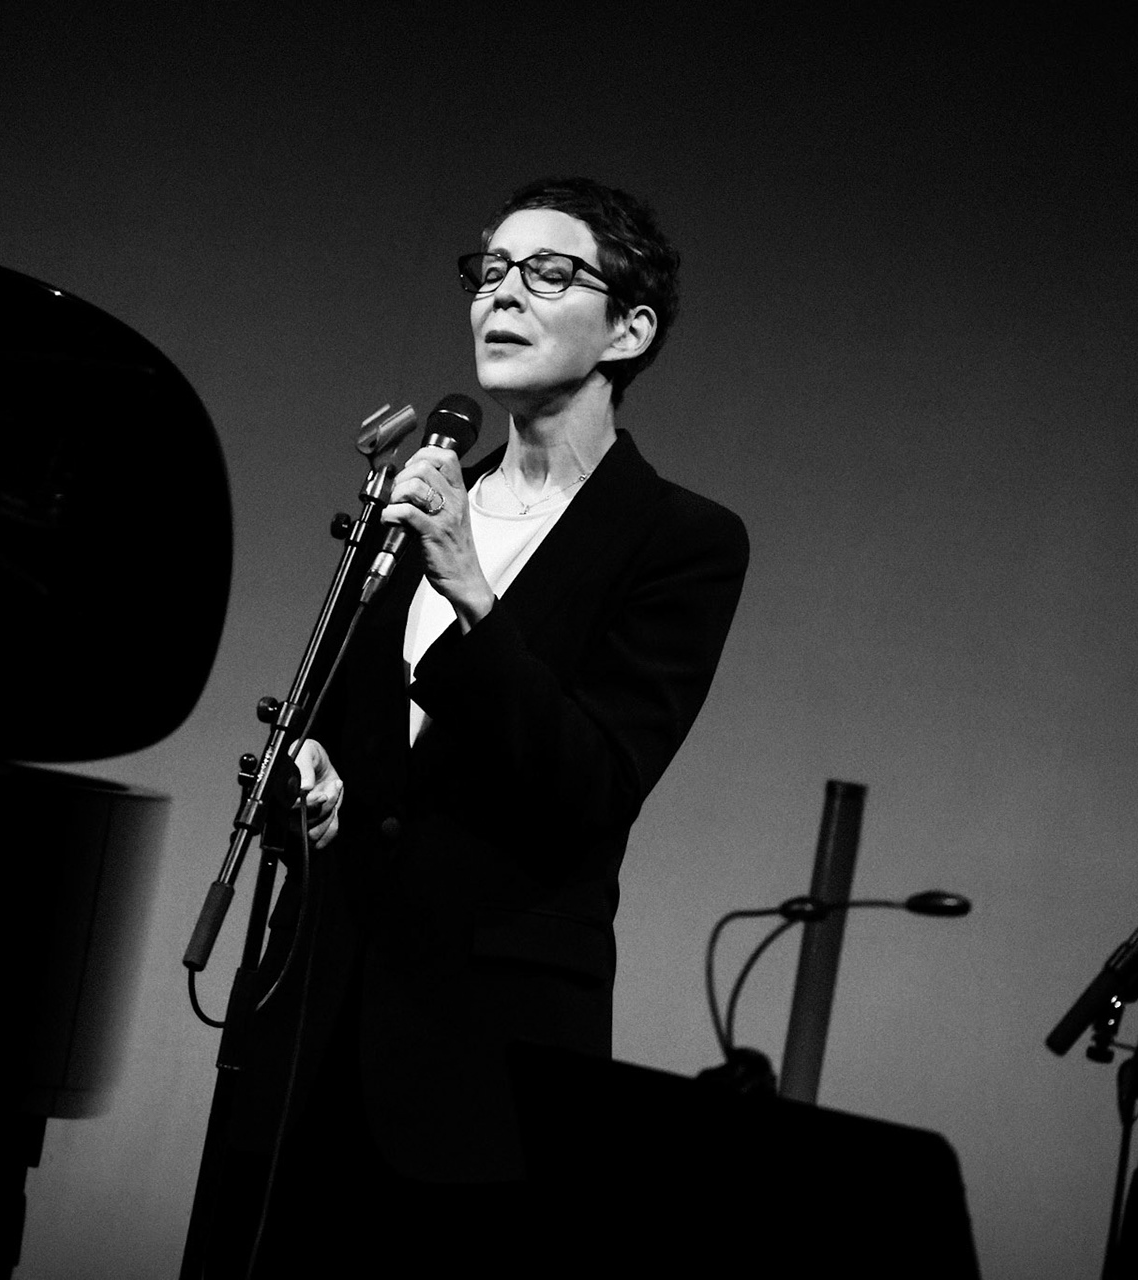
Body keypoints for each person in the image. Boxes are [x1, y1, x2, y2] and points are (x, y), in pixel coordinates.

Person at [217, 176, 748, 1276]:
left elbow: (594, 779)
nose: (500, 295)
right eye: (489, 271)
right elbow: (347, 733)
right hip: (307, 1027)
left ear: (629, 327)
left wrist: (469, 584)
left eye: (546, 273)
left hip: (480, 1068)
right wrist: (314, 767)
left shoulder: (678, 541)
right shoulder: (422, 492)